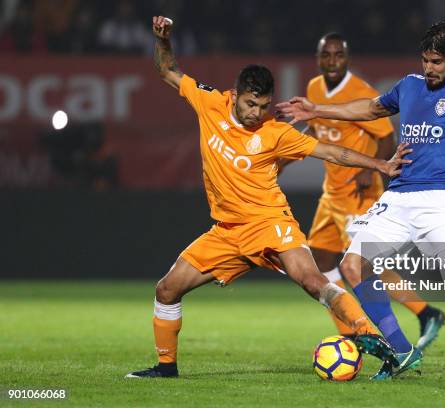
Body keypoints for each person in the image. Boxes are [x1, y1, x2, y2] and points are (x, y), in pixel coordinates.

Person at [126, 16, 413, 379]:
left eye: (263, 106)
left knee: (312, 280)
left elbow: (333, 152)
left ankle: (372, 337)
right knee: (167, 290)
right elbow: (166, 70)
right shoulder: (209, 103)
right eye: (250, 105)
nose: (256, 113)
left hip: (270, 223)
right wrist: (163, 40)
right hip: (227, 232)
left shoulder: (276, 132)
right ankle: (166, 368)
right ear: (237, 94)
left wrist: (380, 166)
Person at [277, 21, 445, 379]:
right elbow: (370, 109)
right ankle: (403, 351)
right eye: (425, 60)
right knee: (352, 266)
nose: (429, 68)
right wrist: (317, 110)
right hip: (397, 196)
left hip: (440, 200)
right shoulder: (409, 86)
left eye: (437, 62)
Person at [285, 32, 445, 351]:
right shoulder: (315, 88)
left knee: (363, 264)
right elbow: (318, 129)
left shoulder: (361, 91)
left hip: (359, 194)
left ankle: (425, 312)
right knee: (321, 260)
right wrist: (285, 155)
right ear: (318, 59)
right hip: (331, 192)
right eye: (326, 55)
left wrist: (365, 169)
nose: (332, 61)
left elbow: (386, 136)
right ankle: (348, 330)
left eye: (338, 55)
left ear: (347, 58)